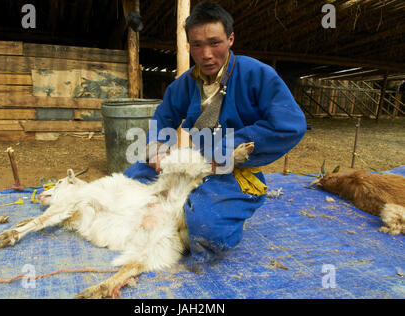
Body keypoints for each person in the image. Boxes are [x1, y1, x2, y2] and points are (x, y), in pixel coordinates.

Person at [124, 1, 306, 272]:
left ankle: (225, 211)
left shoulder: (258, 75)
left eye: (215, 42)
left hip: (234, 172)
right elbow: (163, 119)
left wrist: (226, 148)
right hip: (191, 165)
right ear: (188, 45)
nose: (206, 54)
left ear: (230, 39)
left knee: (207, 230)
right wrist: (157, 148)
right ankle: (182, 209)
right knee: (131, 182)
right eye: (196, 45)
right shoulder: (183, 85)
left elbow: (290, 124)